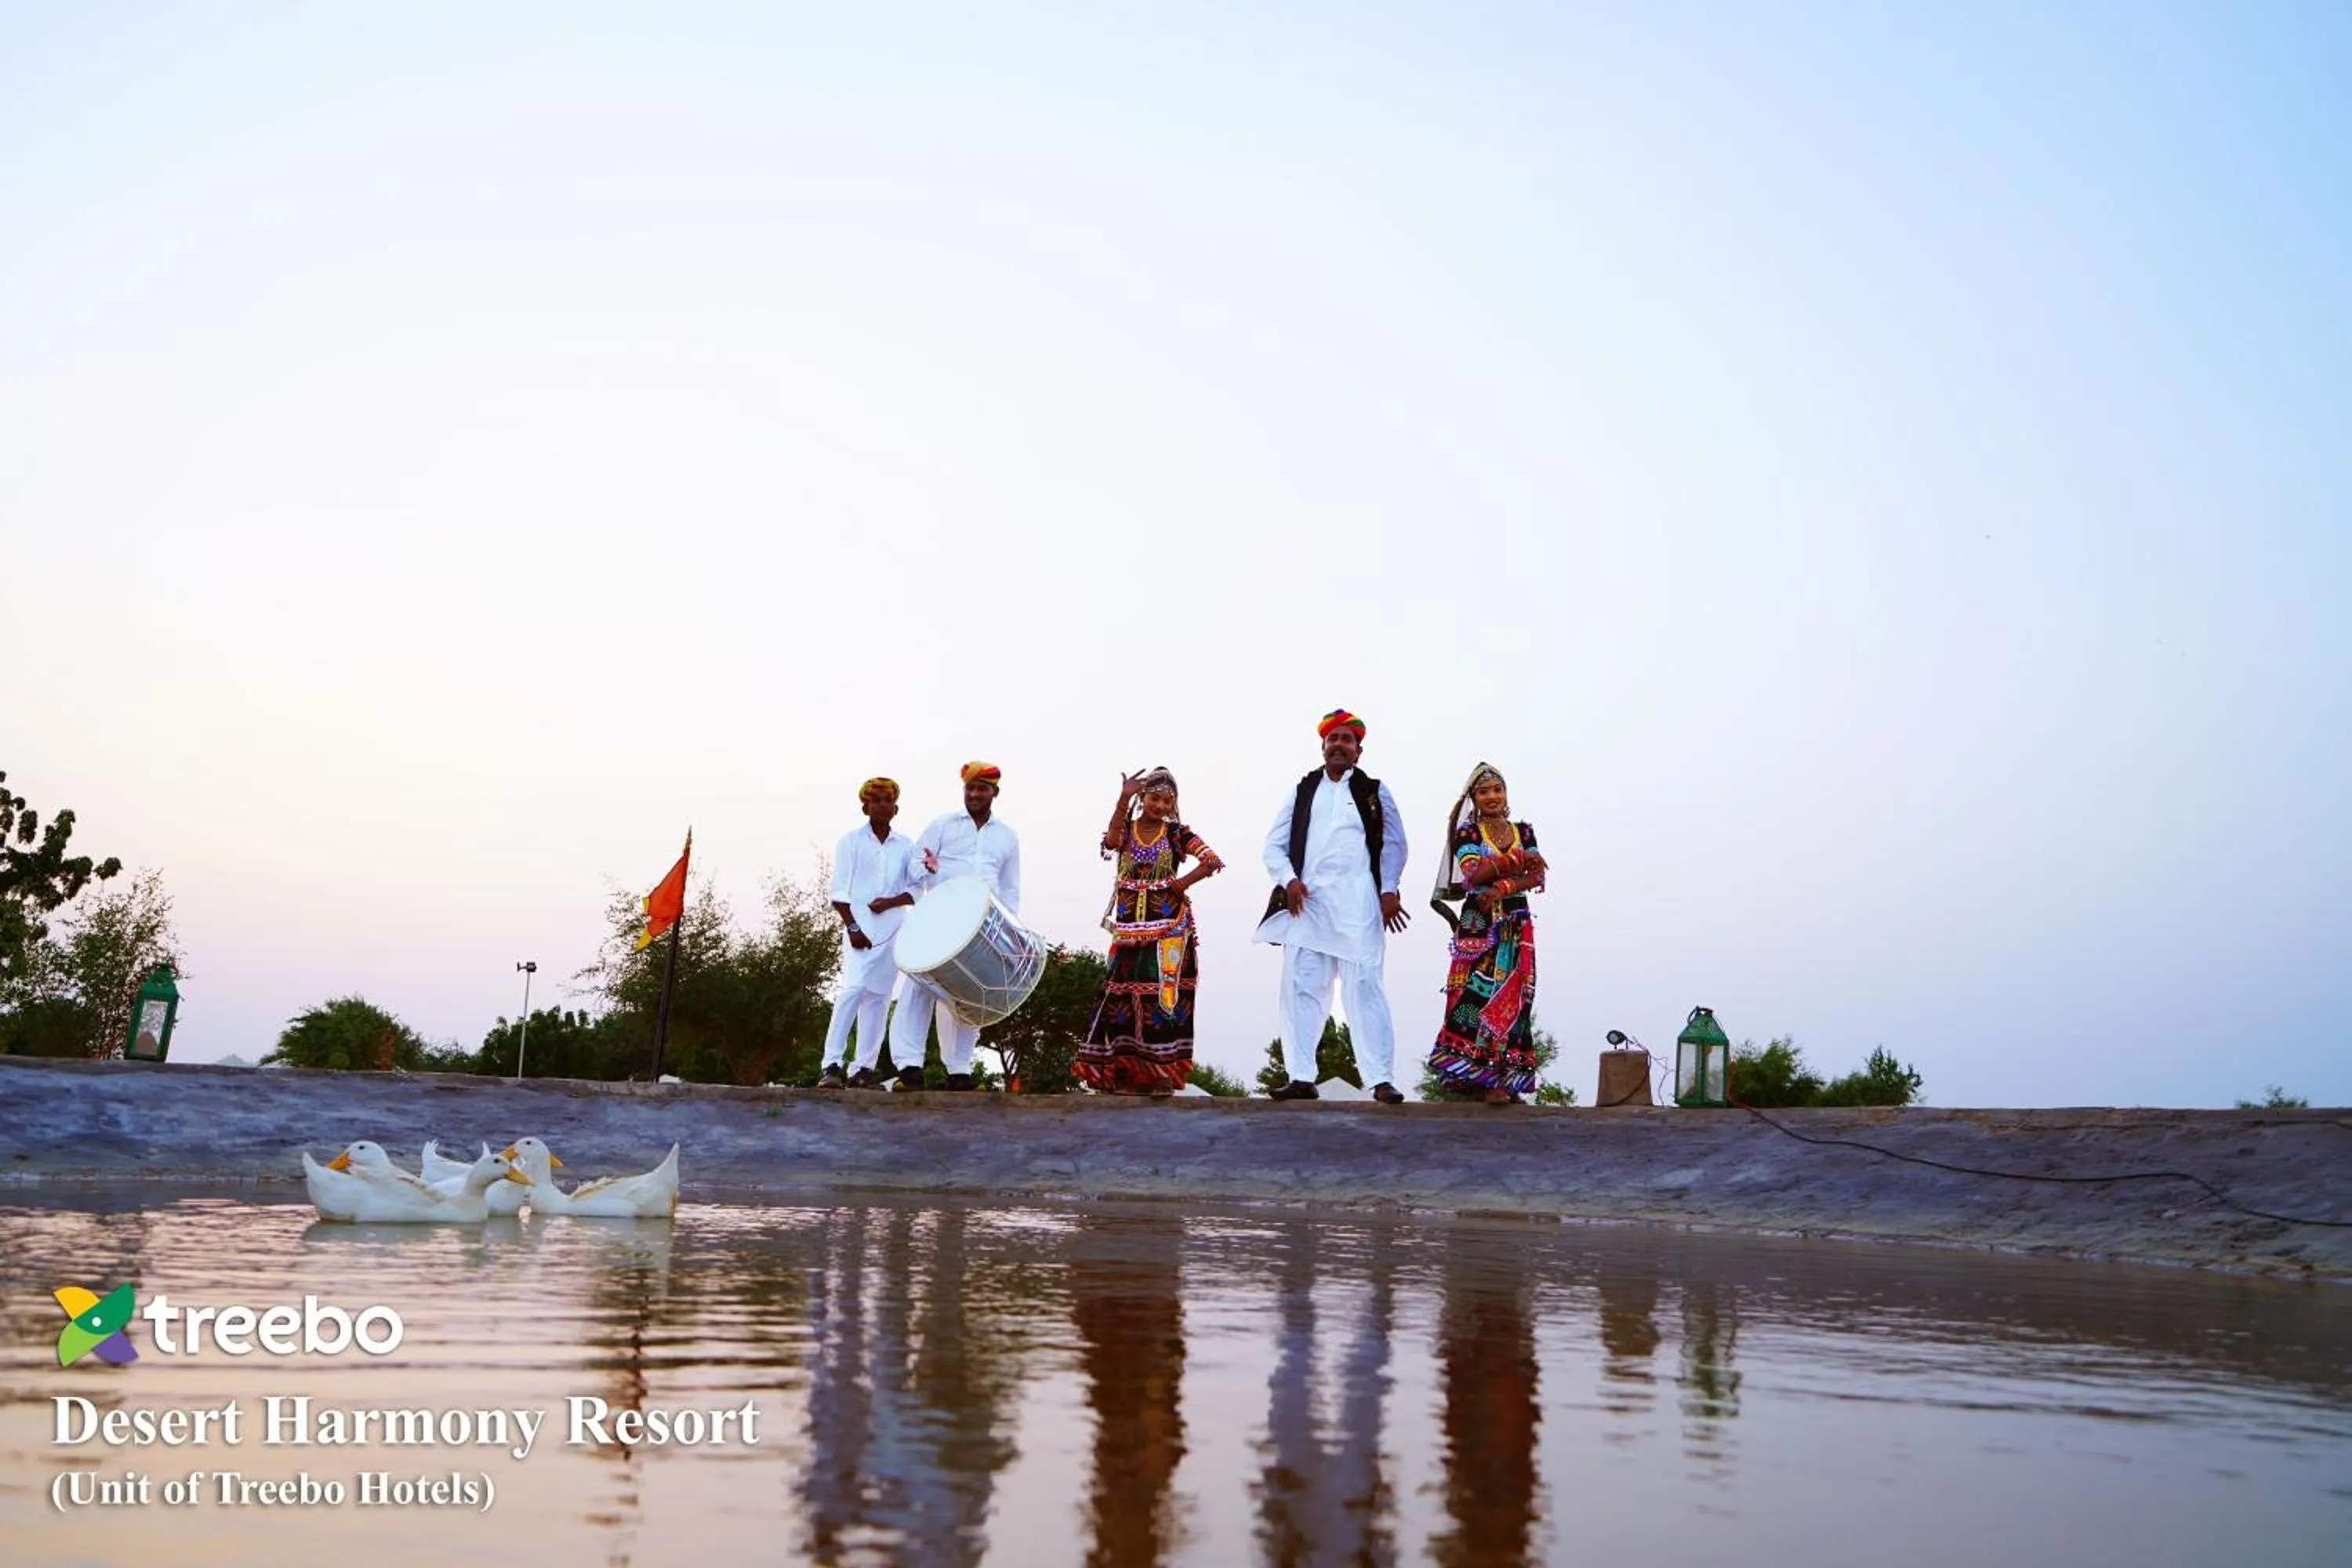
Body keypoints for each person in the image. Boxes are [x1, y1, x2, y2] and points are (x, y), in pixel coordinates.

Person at [1254, 709, 1409, 1102]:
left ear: (1359, 750)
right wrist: (1289, 880)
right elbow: (1273, 845)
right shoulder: (1304, 789)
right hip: (1309, 906)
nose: (1339, 745)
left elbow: (1395, 844)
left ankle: (1380, 1079)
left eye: (1347, 739)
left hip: (1360, 905)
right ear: (1323, 746)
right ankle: (1301, 1077)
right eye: (1333, 739)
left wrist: (1389, 889)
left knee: (1366, 988)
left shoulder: (1374, 791)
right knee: (1301, 988)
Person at [1078, 767, 1225, 1095]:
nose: (1159, 806)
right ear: (1143, 798)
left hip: (1169, 931)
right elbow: (1111, 842)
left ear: (1173, 805)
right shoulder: (1127, 830)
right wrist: (1123, 797)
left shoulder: (1177, 834)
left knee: (1163, 998)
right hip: (1128, 932)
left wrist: (1181, 884)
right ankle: (1124, 1072)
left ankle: (1160, 1074)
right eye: (1154, 798)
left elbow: (1212, 861)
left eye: (1166, 802)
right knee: (1120, 997)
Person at [890, 761, 1022, 1091]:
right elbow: (913, 865)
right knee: (920, 985)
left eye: (982, 789)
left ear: (995, 793)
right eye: (970, 788)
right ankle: (909, 1065)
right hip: (940, 916)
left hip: (982, 924)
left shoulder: (1007, 837)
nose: (974, 794)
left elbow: (1010, 888)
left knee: (969, 993)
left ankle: (959, 1069)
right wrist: (928, 867)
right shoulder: (943, 825)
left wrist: (1012, 929)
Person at [1426, 761, 1548, 1104]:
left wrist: (1502, 885)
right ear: (1474, 798)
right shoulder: (1468, 833)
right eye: (1484, 792)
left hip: (1516, 922)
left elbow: (1537, 876)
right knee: (1477, 994)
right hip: (1480, 924)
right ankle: (1477, 1078)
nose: (1492, 796)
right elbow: (1473, 874)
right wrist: (1516, 861)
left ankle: (1505, 1079)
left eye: (1498, 789)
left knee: (1515, 996)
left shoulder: (1523, 831)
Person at [818, 777, 918, 1090]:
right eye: (876, 801)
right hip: (860, 931)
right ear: (865, 807)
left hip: (893, 932)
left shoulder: (907, 846)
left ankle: (863, 1069)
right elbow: (839, 893)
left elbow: (915, 891)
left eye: (888, 801)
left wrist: (889, 902)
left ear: (896, 808)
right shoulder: (850, 842)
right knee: (853, 990)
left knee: (878, 999)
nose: (882, 806)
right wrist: (853, 927)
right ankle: (831, 1064)